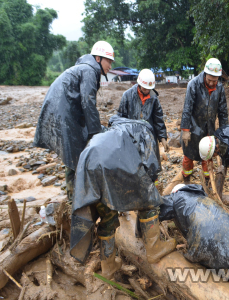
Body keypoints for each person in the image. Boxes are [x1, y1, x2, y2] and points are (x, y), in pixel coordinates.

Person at [70, 117, 176, 279]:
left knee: (107, 213)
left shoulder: (112, 131)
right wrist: (149, 194)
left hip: (89, 161)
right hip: (111, 166)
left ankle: (108, 267)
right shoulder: (145, 130)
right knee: (150, 203)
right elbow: (151, 168)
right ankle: (154, 249)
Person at [34, 41, 115, 202]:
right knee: (76, 157)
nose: (110, 67)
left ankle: (76, 198)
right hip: (64, 115)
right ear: (98, 58)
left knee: (75, 156)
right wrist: (96, 134)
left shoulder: (84, 68)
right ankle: (76, 202)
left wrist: (93, 130)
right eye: (109, 61)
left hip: (62, 113)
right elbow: (88, 102)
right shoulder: (89, 70)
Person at [159, 184, 229, 297]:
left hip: (205, 237)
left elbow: (153, 210)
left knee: (203, 268)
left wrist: (140, 232)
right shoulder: (200, 196)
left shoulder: (175, 198)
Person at [180, 58, 229, 183]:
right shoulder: (193, 84)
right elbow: (187, 109)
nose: (212, 83)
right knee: (189, 156)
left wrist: (225, 134)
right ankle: (186, 179)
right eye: (209, 80)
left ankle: (208, 182)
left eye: (215, 80)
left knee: (208, 156)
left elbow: (223, 112)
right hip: (193, 127)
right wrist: (185, 130)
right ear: (205, 74)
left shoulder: (220, 88)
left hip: (209, 127)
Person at [118, 68, 169, 185]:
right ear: (139, 84)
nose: (146, 91)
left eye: (149, 89)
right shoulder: (127, 96)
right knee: (134, 164)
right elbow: (120, 118)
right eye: (144, 88)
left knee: (152, 165)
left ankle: (154, 188)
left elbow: (158, 119)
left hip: (149, 137)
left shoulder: (153, 98)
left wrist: (163, 138)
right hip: (132, 136)